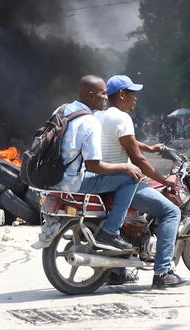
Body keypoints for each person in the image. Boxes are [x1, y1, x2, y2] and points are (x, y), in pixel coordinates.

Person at [97, 75, 183, 289]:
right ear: (122, 95)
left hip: (103, 180)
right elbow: (138, 160)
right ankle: (163, 271)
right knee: (171, 212)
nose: (135, 100)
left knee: (133, 213)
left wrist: (150, 147)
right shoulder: (122, 118)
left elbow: (126, 141)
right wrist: (165, 179)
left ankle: (117, 272)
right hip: (122, 180)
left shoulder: (100, 116)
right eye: (133, 94)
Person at [53, 75, 144, 251]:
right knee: (132, 176)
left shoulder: (63, 109)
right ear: (91, 95)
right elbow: (94, 165)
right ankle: (110, 232)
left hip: (55, 176)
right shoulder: (90, 121)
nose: (107, 97)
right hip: (74, 181)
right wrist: (125, 166)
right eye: (103, 94)